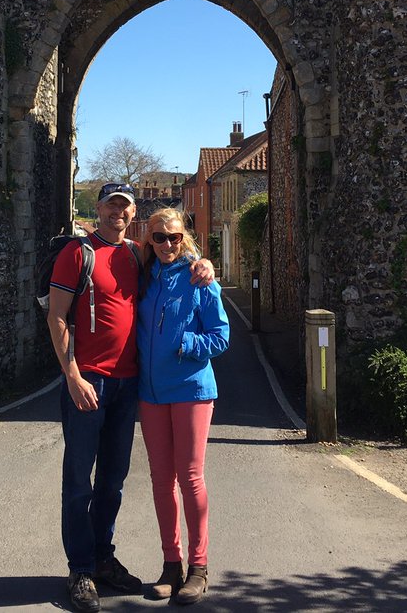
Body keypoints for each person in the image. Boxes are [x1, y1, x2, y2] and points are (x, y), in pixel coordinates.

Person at [47, 183, 214, 613]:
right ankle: (81, 568)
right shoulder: (77, 253)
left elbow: (182, 266)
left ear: (131, 213)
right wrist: (72, 376)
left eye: (123, 207)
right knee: (78, 481)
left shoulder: (137, 259)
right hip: (90, 383)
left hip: (129, 386)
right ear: (98, 208)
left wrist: (205, 265)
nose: (116, 213)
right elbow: (57, 316)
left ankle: (103, 557)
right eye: (109, 206)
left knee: (113, 481)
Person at [136, 208, 229, 606]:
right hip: (151, 393)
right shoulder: (142, 275)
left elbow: (221, 336)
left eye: (174, 237)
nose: (168, 244)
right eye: (159, 237)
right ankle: (170, 566)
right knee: (161, 480)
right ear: (149, 240)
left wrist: (188, 345)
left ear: (184, 237)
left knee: (190, 477)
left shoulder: (199, 278)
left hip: (191, 389)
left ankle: (199, 567)